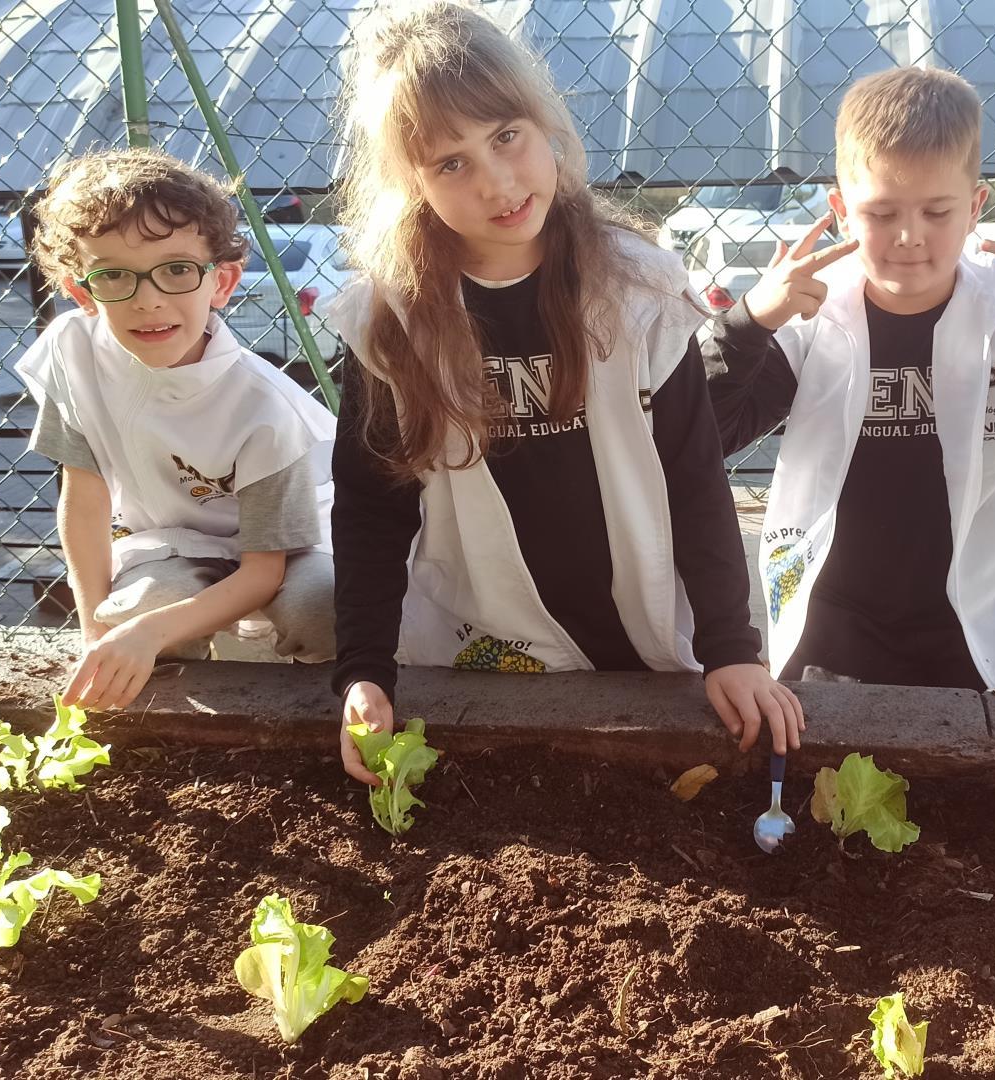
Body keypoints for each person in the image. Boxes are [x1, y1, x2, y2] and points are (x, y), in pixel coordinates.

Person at [326, 0, 802, 784]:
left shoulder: (637, 287)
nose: (498, 182)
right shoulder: (393, 321)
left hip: (641, 640)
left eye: (506, 136)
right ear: (409, 182)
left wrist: (731, 649)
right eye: (452, 163)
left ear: (545, 124)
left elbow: (693, 473)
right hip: (484, 650)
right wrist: (366, 670)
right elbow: (373, 506)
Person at [706, 67, 995, 693]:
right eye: (881, 211)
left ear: (975, 207)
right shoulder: (810, 315)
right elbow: (696, 437)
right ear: (842, 210)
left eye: (937, 210)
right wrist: (748, 323)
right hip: (834, 629)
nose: (909, 238)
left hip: (990, 623)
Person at [17, 148, 337, 710]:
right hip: (177, 538)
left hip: (299, 542)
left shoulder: (264, 407)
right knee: (133, 614)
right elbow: (84, 500)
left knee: (322, 608)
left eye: (176, 270)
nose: (149, 300)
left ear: (222, 282)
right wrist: (99, 632)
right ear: (81, 292)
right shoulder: (71, 352)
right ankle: (167, 727)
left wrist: (150, 634)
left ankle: (313, 712)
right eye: (114, 275)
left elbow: (265, 571)